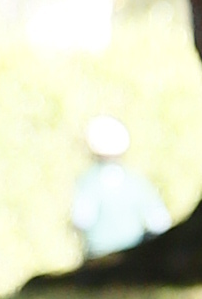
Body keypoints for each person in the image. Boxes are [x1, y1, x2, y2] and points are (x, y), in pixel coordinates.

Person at [69, 113, 169, 264]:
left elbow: (82, 220)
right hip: (133, 259)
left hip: (99, 259)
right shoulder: (136, 180)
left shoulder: (89, 181)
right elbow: (159, 222)